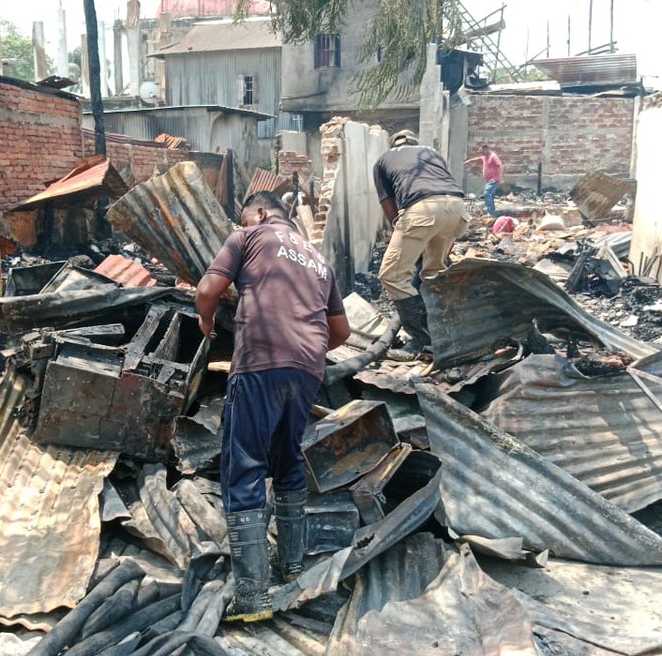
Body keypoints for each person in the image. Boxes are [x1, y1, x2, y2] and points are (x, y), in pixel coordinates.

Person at [196, 191, 351, 622]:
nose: (243, 224)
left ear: (260, 213)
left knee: (243, 466)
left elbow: (209, 289)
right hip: (306, 370)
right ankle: (292, 564)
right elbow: (342, 330)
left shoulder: (249, 237)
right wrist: (307, 349)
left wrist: (206, 321)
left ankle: (252, 598)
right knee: (287, 461)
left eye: (245, 217)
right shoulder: (318, 260)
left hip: (259, 362)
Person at [373, 130, 469, 361]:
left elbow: (389, 207)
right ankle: (447, 335)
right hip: (457, 209)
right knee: (434, 273)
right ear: (416, 144)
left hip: (422, 210)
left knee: (392, 276)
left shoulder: (383, 161)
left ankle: (423, 341)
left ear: (392, 145)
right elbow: (441, 185)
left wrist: (401, 235)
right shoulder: (432, 153)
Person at [464, 143, 503, 217]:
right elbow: (478, 158)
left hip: (494, 179)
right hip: (489, 180)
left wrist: (501, 178)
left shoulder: (493, 156)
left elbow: (500, 165)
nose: (481, 153)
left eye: (482, 151)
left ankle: (490, 213)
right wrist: (469, 161)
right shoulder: (485, 156)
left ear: (486, 149)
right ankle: (492, 212)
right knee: (490, 195)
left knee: (487, 193)